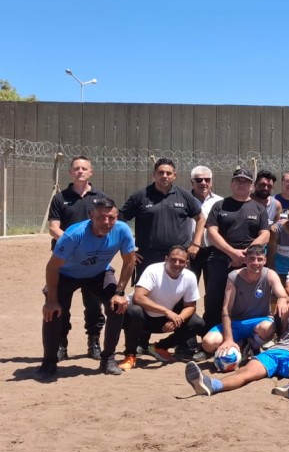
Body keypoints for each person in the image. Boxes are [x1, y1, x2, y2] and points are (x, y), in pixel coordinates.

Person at [40, 198, 137, 377]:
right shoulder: (74, 234)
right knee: (53, 312)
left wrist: (120, 292)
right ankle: (49, 361)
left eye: (111, 218)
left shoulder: (122, 230)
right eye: (101, 217)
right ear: (91, 215)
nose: (106, 222)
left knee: (117, 307)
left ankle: (108, 358)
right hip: (67, 275)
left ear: (117, 217)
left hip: (98, 274)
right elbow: (52, 266)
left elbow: (129, 261)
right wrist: (52, 300)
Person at [46, 155, 110, 361]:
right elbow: (53, 226)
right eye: (76, 168)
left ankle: (94, 342)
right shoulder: (60, 197)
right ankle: (60, 345)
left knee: (93, 305)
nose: (80, 171)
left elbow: (108, 224)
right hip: (66, 260)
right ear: (70, 172)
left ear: (91, 172)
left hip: (94, 261)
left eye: (84, 168)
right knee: (60, 303)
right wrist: (71, 242)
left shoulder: (100, 198)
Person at [203, 169, 272, 332]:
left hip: (249, 263)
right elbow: (212, 233)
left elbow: (265, 234)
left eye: (246, 182)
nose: (241, 184)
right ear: (231, 184)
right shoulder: (219, 206)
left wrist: (246, 255)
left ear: (251, 186)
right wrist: (232, 252)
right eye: (238, 181)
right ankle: (210, 340)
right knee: (215, 300)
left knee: (247, 301)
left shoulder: (258, 208)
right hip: (220, 261)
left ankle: (247, 338)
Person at [200, 244, 289, 359]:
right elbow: (226, 309)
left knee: (267, 328)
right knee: (208, 343)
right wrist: (228, 339)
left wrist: (282, 299)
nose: (256, 263)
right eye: (252, 259)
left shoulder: (269, 274)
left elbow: (283, 295)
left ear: (265, 260)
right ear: (245, 260)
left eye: (260, 259)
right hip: (236, 322)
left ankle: (253, 346)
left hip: (260, 321)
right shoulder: (234, 276)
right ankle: (242, 343)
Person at [120, 158, 203, 282]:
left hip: (177, 257)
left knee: (179, 295)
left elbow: (201, 218)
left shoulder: (184, 196)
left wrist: (196, 243)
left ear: (174, 175)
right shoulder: (141, 196)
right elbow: (120, 221)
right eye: (161, 172)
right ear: (154, 175)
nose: (165, 176)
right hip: (148, 257)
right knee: (146, 295)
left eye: (168, 173)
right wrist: (129, 249)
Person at [120, 245, 204, 368]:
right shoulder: (153, 270)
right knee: (134, 311)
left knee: (197, 322)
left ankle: (158, 347)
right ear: (166, 259)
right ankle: (130, 355)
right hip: (140, 318)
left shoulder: (190, 277)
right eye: (173, 259)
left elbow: (191, 306)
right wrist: (167, 312)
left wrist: (178, 318)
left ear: (186, 263)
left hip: (163, 320)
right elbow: (138, 297)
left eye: (181, 261)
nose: (177, 263)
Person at [186, 165, 221, 287]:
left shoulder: (220, 202)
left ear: (211, 182)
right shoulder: (184, 200)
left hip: (213, 251)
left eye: (207, 180)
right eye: (199, 180)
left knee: (213, 289)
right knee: (187, 288)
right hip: (189, 250)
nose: (203, 183)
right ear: (192, 182)